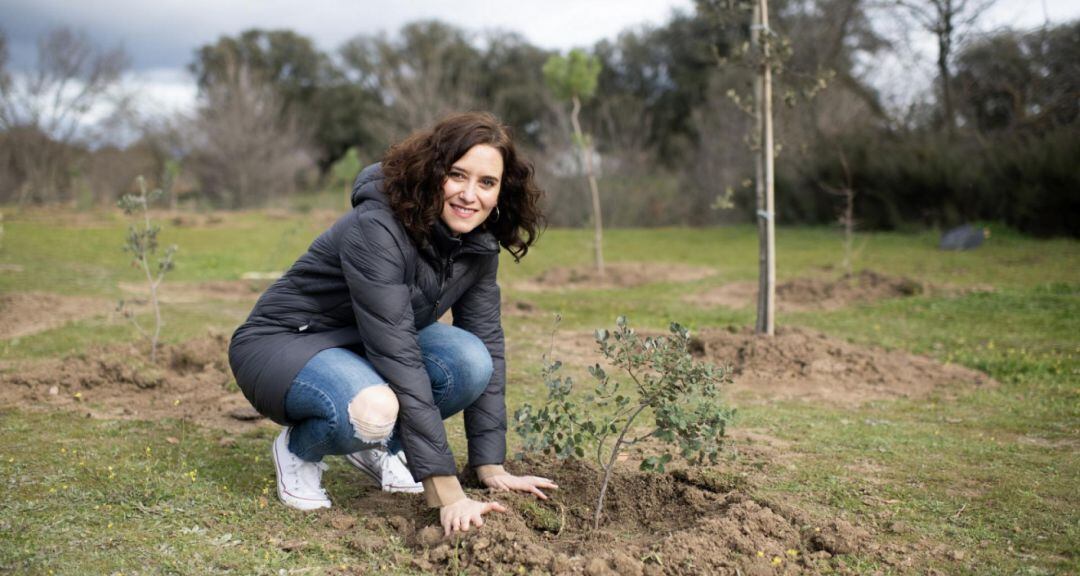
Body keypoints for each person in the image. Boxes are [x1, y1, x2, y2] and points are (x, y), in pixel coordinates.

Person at [228, 112, 556, 536]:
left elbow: (486, 339)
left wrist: (489, 464)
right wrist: (446, 492)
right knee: (371, 411)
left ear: (501, 190)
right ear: (433, 171)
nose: (470, 195)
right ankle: (299, 450)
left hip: (364, 343)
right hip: (287, 341)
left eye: (486, 182)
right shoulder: (377, 227)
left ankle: (383, 448)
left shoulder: (477, 243)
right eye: (457, 175)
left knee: (472, 360)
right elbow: (398, 353)